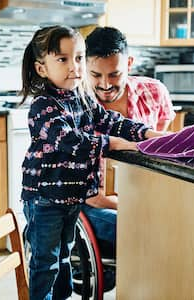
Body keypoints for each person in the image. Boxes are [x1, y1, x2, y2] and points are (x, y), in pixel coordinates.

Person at [20, 25, 165, 300]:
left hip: (70, 197)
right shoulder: (43, 105)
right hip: (44, 199)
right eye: (62, 59)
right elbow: (72, 142)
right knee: (45, 264)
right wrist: (116, 143)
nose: (74, 66)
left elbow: (112, 122)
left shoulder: (82, 99)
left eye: (78, 57)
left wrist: (148, 134)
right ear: (41, 68)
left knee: (63, 257)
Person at [82, 26, 176, 257]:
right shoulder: (76, 106)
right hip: (93, 202)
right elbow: (92, 196)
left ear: (129, 64)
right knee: (148, 229)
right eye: (95, 75)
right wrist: (131, 205)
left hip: (145, 194)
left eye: (114, 74)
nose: (105, 84)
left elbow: (159, 152)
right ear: (84, 68)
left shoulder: (155, 92)